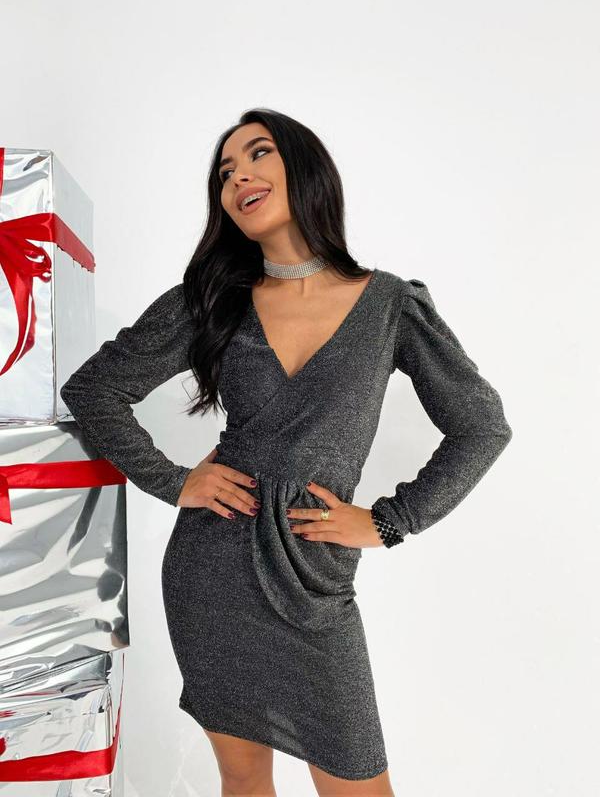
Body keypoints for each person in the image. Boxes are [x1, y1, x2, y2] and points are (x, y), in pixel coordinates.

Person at [60, 107, 512, 796]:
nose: (238, 176)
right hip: (213, 571)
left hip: (316, 581)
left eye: (257, 154)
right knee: (244, 781)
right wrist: (173, 480)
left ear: (304, 168)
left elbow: (482, 426)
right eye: (225, 172)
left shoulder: (391, 305)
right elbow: (94, 389)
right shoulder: (211, 302)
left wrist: (390, 522)